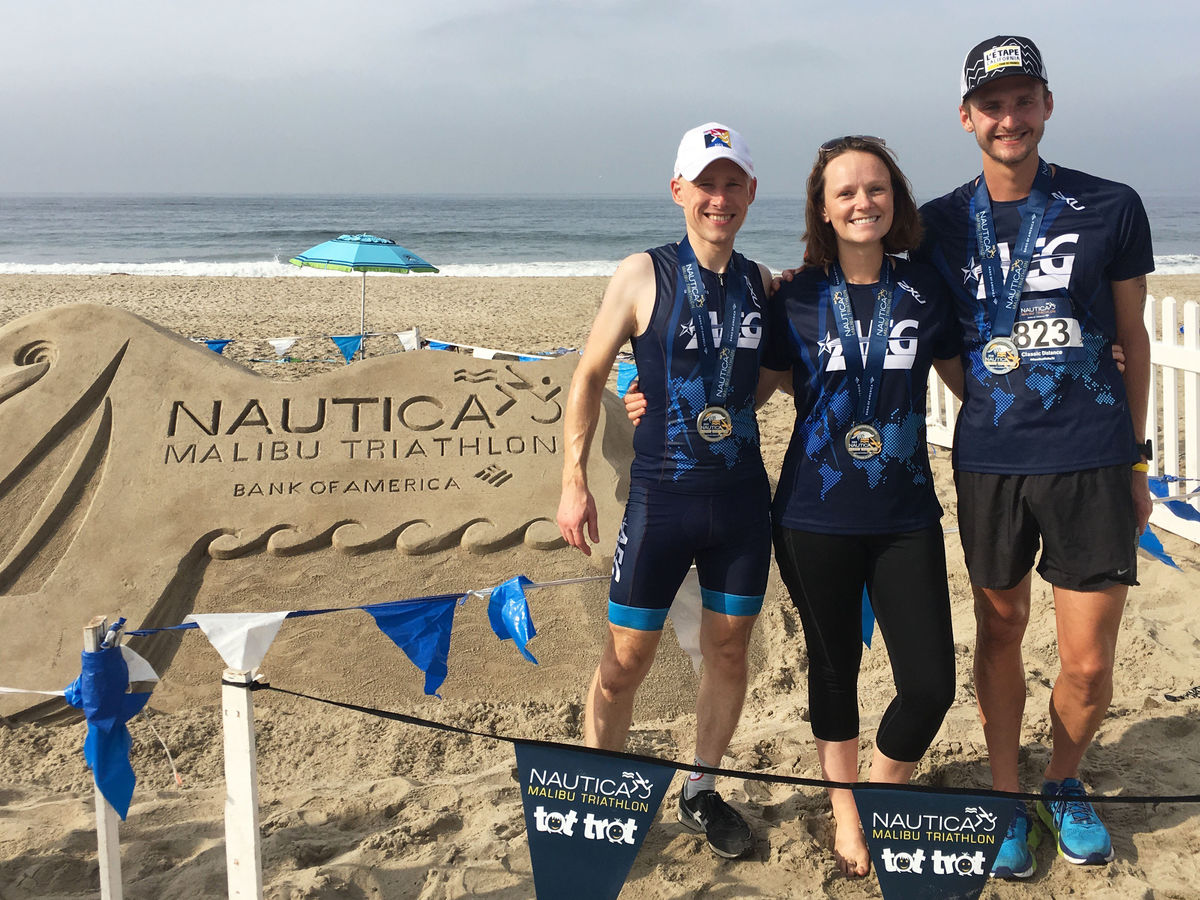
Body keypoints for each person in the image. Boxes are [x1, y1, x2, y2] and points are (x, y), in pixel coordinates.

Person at [914, 35, 1154, 878]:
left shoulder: (1110, 205)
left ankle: (1063, 781)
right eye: (992, 103)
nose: (1007, 117)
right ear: (967, 116)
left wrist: (1135, 461)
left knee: (1088, 662)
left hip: (1090, 457)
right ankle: (1009, 795)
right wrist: (986, 385)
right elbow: (939, 341)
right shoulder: (938, 223)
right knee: (1001, 629)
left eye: (1023, 100)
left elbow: (1132, 334)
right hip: (991, 462)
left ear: (1047, 105)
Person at [556, 122, 776, 859]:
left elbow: (767, 382)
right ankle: (600, 796)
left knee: (729, 651)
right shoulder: (641, 273)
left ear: (750, 191)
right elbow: (589, 375)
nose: (719, 198)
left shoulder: (761, 283)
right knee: (624, 663)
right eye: (705, 183)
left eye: (732, 183)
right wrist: (573, 485)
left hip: (742, 502)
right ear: (678, 190)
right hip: (661, 500)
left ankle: (701, 789)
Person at [762, 136, 960, 876]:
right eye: (844, 192)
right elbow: (752, 390)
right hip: (813, 514)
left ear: (895, 199)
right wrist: (653, 394)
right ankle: (847, 812)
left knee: (930, 685)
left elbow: (975, 383)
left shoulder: (926, 290)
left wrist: (1083, 361)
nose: (861, 202)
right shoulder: (796, 295)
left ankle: (879, 794)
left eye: (875, 189)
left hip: (907, 514)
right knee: (834, 667)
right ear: (822, 207)